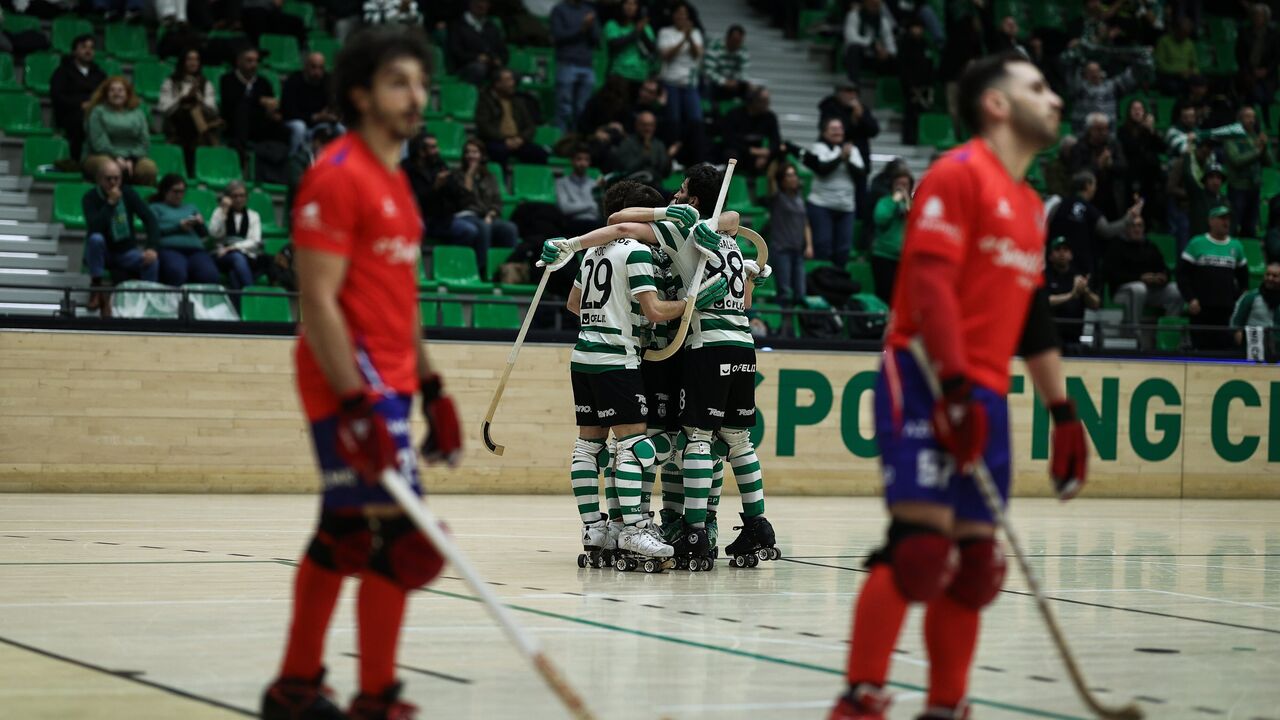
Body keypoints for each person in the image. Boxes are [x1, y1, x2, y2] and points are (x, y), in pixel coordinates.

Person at [828, 51, 1089, 720]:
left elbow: (1031, 318)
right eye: (1037, 87)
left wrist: (1062, 412)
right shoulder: (957, 174)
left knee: (975, 567)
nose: (1054, 99)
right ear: (997, 105)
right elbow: (929, 284)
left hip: (985, 392)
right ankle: (860, 699)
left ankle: (946, 707)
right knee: (920, 551)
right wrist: (950, 388)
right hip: (923, 374)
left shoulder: (1032, 207)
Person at [260, 25, 463, 720]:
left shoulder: (398, 183)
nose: (416, 96)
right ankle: (376, 696)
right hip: (348, 382)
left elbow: (400, 301)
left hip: (392, 382)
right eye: (397, 82)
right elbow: (317, 299)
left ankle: (295, 686)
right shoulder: (337, 174)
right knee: (408, 544)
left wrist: (432, 389)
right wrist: (353, 405)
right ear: (360, 94)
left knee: (345, 535)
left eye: (420, 83)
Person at [545, 163, 780, 569]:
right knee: (702, 442)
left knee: (626, 443)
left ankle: (624, 525)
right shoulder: (705, 243)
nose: (672, 198)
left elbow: (582, 293)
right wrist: (733, 284)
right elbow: (663, 300)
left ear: (692, 200)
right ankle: (683, 523)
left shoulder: (652, 238)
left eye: (679, 193)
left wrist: (574, 245)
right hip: (695, 350)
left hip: (628, 353)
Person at [82, 159, 161, 315]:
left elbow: (150, 220)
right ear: (99, 179)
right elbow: (94, 227)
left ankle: (147, 299)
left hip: (125, 252)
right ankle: (96, 289)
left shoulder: (128, 193)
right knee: (96, 239)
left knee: (152, 261)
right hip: (102, 253)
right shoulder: (90, 198)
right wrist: (110, 203)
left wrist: (152, 247)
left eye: (116, 178)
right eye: (108, 179)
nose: (113, 183)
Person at [1178, 205, 1251, 350]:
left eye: (1228, 219)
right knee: (1201, 348)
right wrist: (1190, 298)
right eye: (1222, 218)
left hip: (1226, 310)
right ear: (1211, 221)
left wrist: (1238, 299)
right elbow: (1182, 275)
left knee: (1223, 349)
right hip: (1201, 309)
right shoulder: (1196, 243)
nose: (1226, 222)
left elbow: (1244, 277)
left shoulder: (1236, 246)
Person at [1097, 216, 1182, 334]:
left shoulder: (1150, 246)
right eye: (1133, 226)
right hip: (1122, 292)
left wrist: (1162, 277)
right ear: (1126, 228)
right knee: (1138, 288)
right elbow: (1110, 274)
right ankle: (1133, 333)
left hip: (1151, 290)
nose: (1137, 229)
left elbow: (1164, 268)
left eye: (1140, 226)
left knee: (1176, 290)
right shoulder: (1116, 246)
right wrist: (1140, 278)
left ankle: (1169, 333)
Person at [1047, 170, 1138, 277]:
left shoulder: (1058, 206)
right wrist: (1129, 218)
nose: (1095, 189)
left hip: (1054, 267)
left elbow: (1045, 226)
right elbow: (1107, 231)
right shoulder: (1091, 211)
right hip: (1081, 269)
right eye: (1094, 184)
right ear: (1088, 185)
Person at [817, 80, 879, 228]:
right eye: (848, 91)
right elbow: (835, 133)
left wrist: (861, 116)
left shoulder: (860, 109)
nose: (852, 95)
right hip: (835, 161)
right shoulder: (829, 108)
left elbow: (874, 130)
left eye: (854, 92)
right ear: (839, 93)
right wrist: (853, 120)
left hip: (859, 161)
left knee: (860, 204)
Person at [804, 116, 864, 267]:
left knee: (843, 249)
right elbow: (822, 169)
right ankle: (821, 282)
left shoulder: (853, 150)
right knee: (823, 246)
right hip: (821, 205)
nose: (838, 132)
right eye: (833, 129)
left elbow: (861, 175)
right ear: (824, 133)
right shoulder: (818, 148)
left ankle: (838, 283)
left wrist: (847, 159)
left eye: (840, 129)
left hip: (846, 207)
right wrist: (840, 157)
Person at [456, 138, 520, 271]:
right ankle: (483, 269)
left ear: (482, 155)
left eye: (475, 152)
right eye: (468, 152)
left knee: (510, 228)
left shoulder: (490, 177)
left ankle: (508, 268)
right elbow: (463, 200)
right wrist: (469, 176)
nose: (471, 155)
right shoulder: (457, 175)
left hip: (486, 215)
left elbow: (497, 201)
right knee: (483, 227)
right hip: (465, 215)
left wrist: (491, 214)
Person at [83, 77, 159, 187]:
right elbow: (98, 142)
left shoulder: (138, 113)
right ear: (106, 94)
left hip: (133, 157)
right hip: (101, 155)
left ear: (127, 93)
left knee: (149, 168)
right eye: (112, 90)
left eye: (120, 90)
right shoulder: (98, 112)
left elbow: (144, 141)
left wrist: (131, 159)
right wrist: (116, 157)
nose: (116, 93)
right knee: (110, 168)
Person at [158, 49, 222, 176]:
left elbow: (213, 110)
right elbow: (164, 109)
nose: (194, 62)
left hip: (200, 130)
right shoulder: (171, 82)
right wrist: (183, 98)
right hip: (176, 127)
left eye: (196, 59)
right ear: (183, 61)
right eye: (190, 59)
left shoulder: (205, 83)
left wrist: (198, 98)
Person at [149, 173, 218, 287]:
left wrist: (200, 224)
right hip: (170, 249)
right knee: (176, 272)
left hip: (196, 250)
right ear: (165, 191)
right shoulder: (155, 208)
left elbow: (204, 234)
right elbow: (154, 230)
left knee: (210, 274)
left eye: (182, 192)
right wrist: (178, 227)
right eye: (176, 191)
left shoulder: (191, 207)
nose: (179, 195)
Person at [656, 2, 704, 163]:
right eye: (678, 13)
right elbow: (666, 55)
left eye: (684, 14)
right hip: (671, 82)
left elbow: (698, 54)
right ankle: (673, 159)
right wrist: (684, 38)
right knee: (673, 122)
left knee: (696, 121)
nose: (681, 16)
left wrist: (689, 36)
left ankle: (696, 159)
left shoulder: (695, 33)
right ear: (673, 15)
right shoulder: (665, 32)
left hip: (689, 83)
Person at [474, 67, 549, 165]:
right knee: (498, 152)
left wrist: (521, 138)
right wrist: (504, 139)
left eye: (512, 80)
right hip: (495, 141)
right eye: (508, 80)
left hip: (518, 140)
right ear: (497, 84)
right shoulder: (485, 101)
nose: (513, 83)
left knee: (539, 154)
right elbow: (484, 126)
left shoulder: (519, 101)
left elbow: (530, 126)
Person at [220, 46, 289, 154]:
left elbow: (270, 102)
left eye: (256, 61)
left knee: (283, 127)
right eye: (249, 61)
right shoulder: (228, 79)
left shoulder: (263, 82)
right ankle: (241, 156)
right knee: (242, 110)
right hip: (234, 124)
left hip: (259, 123)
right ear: (239, 62)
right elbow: (231, 103)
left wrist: (273, 111)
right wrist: (259, 101)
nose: (254, 64)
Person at [49, 34, 106, 162]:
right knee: (80, 121)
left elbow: (106, 94)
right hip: (71, 113)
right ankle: (77, 161)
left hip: (97, 111)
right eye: (84, 47)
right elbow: (57, 97)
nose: (88, 51)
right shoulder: (62, 72)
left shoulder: (100, 74)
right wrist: (80, 104)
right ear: (75, 51)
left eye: (91, 48)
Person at [765, 162, 813, 307]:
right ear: (782, 179)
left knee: (800, 293)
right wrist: (777, 156)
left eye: (794, 175)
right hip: (781, 250)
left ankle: (797, 327)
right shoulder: (777, 197)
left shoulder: (799, 198)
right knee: (784, 292)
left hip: (797, 250)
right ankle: (783, 327)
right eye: (788, 175)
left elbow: (805, 223)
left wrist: (809, 245)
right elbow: (770, 177)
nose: (793, 178)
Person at [1224, 105, 1273, 239]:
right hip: (1238, 188)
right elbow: (1236, 160)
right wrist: (1257, 151)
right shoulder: (1232, 138)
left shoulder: (1256, 136)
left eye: (1253, 117)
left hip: (1254, 187)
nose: (1251, 120)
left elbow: (1269, 162)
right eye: (1247, 117)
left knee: (1250, 227)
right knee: (1233, 225)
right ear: (1239, 119)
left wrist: (1265, 147)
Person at [550, 0, 600, 129]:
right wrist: (582, 28)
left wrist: (590, 27)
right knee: (564, 108)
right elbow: (558, 36)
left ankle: (577, 142)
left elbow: (596, 39)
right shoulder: (559, 10)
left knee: (583, 109)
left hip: (587, 65)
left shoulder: (589, 10)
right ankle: (560, 142)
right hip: (567, 63)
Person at [1069, 112, 1128, 221]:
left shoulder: (1113, 144)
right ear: (1090, 130)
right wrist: (1098, 165)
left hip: (1112, 197)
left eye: (1106, 129)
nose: (1104, 133)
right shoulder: (1079, 147)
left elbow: (1124, 167)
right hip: (1090, 198)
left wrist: (1110, 164)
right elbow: (1076, 175)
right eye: (1099, 129)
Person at [208, 179, 263, 298]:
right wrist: (224, 212)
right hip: (222, 256)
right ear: (228, 197)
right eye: (235, 196)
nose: (239, 199)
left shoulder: (253, 215)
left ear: (247, 197)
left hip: (247, 256)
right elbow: (213, 234)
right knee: (237, 258)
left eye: (242, 195)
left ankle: (238, 312)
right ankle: (253, 296)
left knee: (234, 274)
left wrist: (233, 247)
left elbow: (255, 241)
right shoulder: (220, 212)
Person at [282, 52, 344, 156]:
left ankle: (340, 163)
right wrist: (314, 117)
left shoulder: (328, 81)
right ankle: (293, 160)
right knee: (299, 127)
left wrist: (332, 116)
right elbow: (289, 111)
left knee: (341, 129)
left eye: (321, 68)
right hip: (296, 120)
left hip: (319, 122)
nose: (317, 72)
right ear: (305, 67)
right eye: (313, 67)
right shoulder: (294, 81)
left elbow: (334, 106)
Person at [1045, 237, 1101, 345]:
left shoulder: (1079, 277)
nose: (1062, 253)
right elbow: (1045, 301)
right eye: (1057, 249)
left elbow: (1096, 305)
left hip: (1074, 339)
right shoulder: (1044, 276)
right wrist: (1071, 296)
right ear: (1050, 256)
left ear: (1071, 255)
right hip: (1049, 338)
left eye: (1065, 250)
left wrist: (1085, 290)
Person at [870, 165, 912, 304]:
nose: (901, 187)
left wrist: (906, 203)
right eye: (898, 184)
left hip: (905, 259)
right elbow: (880, 219)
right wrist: (894, 202)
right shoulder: (885, 202)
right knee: (884, 296)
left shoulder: (913, 204)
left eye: (905, 184)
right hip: (884, 256)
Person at [720, 87, 785, 177]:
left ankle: (777, 188)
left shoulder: (770, 117)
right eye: (763, 100)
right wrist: (751, 151)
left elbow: (776, 140)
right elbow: (729, 140)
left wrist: (766, 154)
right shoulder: (734, 115)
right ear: (753, 101)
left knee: (782, 151)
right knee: (731, 155)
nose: (767, 103)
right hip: (740, 152)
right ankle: (726, 185)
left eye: (768, 100)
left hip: (759, 155)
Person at [1067, 60, 1142, 133]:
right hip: (1083, 135)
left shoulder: (1111, 86)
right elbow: (1071, 72)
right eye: (1090, 71)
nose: (1094, 74)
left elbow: (1129, 80)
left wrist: (1137, 60)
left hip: (1108, 134)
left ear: (1101, 72)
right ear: (1086, 74)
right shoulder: (1079, 88)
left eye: (1096, 71)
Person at [447, 0, 509, 85]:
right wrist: (476, 57)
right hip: (465, 67)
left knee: (512, 75)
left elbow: (503, 51)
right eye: (479, 3)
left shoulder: (491, 27)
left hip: (491, 66)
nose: (482, 5)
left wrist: (499, 59)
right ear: (471, 4)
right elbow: (456, 52)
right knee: (478, 69)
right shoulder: (458, 26)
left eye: (485, 3)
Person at [1236, 4, 1280, 116]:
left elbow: (1276, 57)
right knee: (1255, 95)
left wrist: (1266, 71)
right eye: (1255, 15)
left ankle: (1268, 125)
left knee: (1267, 97)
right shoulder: (1244, 32)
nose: (1257, 18)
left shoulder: (1273, 34)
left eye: (1260, 16)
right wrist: (1249, 71)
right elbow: (1240, 55)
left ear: (1266, 18)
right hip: (1248, 73)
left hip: (1268, 74)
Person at [603, 0, 654, 92]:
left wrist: (642, 31)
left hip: (639, 75)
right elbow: (614, 45)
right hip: (619, 75)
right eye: (627, 3)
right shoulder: (613, 24)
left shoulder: (645, 26)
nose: (630, 7)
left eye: (634, 4)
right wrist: (635, 32)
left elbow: (652, 48)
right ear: (621, 6)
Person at [842, 0, 897, 83]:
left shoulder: (883, 21)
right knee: (854, 49)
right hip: (859, 56)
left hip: (874, 57)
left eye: (877, 5)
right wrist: (872, 44)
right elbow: (851, 38)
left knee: (895, 58)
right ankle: (853, 85)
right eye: (872, 4)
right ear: (865, 3)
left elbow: (891, 45)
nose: (874, 7)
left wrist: (887, 52)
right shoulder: (854, 16)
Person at [1231, 260, 1280, 353]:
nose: (1270, 278)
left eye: (1275, 276)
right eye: (1267, 274)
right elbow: (1236, 322)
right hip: (1254, 350)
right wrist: (1237, 333)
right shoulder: (1251, 297)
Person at [612, 110, 672, 184]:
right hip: (632, 185)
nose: (647, 128)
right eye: (644, 125)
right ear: (637, 125)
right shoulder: (627, 143)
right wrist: (645, 154)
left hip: (654, 186)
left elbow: (664, 172)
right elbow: (625, 168)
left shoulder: (659, 144)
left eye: (651, 125)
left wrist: (669, 156)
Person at [556, 144, 603, 235]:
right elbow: (565, 208)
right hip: (573, 224)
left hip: (594, 225)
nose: (583, 163)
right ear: (572, 161)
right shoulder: (561, 182)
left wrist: (576, 207)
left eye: (586, 160)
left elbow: (598, 211)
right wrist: (590, 205)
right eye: (579, 159)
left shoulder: (594, 184)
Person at [704, 24, 751, 104]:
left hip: (733, 83)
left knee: (749, 88)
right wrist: (724, 82)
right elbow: (708, 71)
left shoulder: (743, 50)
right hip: (715, 82)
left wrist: (736, 82)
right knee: (708, 84)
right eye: (734, 41)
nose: (737, 44)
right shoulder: (714, 47)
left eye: (739, 41)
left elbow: (744, 71)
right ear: (727, 38)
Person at [1155, 16, 1197, 96]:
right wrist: (1178, 72)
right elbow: (1160, 65)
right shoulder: (1163, 41)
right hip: (1168, 76)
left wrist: (1193, 71)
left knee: (1200, 83)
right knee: (1174, 86)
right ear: (1176, 30)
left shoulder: (1189, 44)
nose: (1185, 36)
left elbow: (1194, 64)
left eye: (1187, 33)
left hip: (1187, 76)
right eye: (1183, 32)